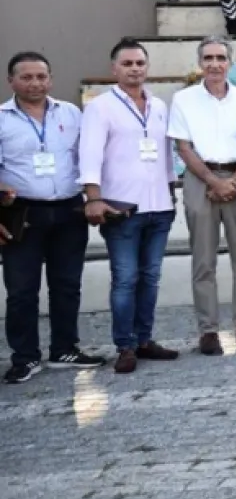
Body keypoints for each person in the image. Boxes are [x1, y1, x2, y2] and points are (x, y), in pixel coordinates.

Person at [1, 52, 102, 383]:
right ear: (11, 81)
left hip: (68, 210)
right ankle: (25, 356)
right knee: (21, 290)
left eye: (41, 77)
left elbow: (86, 156)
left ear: (51, 79)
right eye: (27, 77)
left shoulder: (71, 113)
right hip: (22, 214)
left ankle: (64, 348)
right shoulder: (2, 119)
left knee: (67, 285)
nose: (35, 83)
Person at [79, 39, 178, 373]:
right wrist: (93, 198)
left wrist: (170, 191)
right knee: (125, 278)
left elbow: (165, 154)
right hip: (121, 207)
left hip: (159, 206)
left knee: (150, 277)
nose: (134, 69)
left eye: (139, 63)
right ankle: (125, 345)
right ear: (114, 69)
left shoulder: (159, 105)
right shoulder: (100, 107)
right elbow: (89, 154)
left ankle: (145, 340)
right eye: (127, 64)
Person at [168, 36, 236, 355]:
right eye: (208, 58)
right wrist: (212, 180)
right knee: (203, 259)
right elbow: (183, 146)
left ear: (230, 63)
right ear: (200, 63)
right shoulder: (183, 99)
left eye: (221, 57)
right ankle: (207, 330)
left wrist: (234, 179)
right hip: (199, 179)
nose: (215, 63)